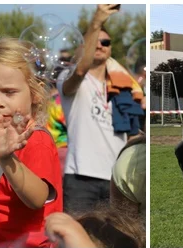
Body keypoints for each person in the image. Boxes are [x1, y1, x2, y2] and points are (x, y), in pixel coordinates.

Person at [0, 37, 66, 247]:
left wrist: (6, 158)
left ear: (36, 94)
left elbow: (38, 197)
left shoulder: (35, 140)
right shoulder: (2, 137)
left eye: (9, 92)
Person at [58, 5, 140, 214]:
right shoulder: (69, 78)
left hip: (118, 180)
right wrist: (97, 21)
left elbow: (130, 136)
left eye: (106, 42)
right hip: (80, 178)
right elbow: (81, 69)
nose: (101, 45)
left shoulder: (124, 87)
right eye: (95, 41)